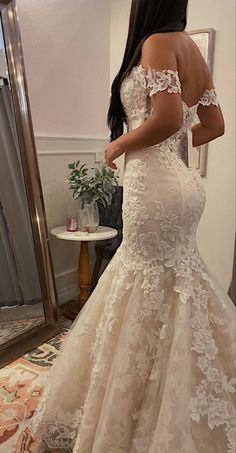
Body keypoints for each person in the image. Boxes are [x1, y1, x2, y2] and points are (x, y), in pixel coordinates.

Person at [31, 1, 236, 451]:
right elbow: (214, 125)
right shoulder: (192, 52)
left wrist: (119, 145)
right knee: (173, 275)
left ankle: (134, 403)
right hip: (183, 182)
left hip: (157, 186)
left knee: (142, 274)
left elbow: (164, 118)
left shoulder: (158, 42)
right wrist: (172, 144)